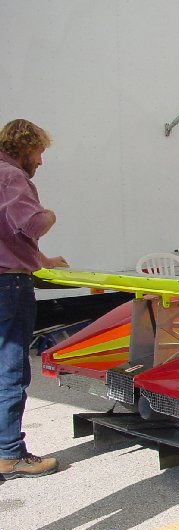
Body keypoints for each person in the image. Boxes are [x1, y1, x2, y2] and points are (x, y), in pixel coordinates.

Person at [0, 119, 69, 480]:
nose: (41, 161)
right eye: (39, 151)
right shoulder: (10, 176)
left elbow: (8, 234)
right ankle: (10, 453)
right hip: (8, 285)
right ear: (25, 147)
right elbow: (32, 225)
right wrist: (51, 215)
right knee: (11, 367)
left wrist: (41, 261)